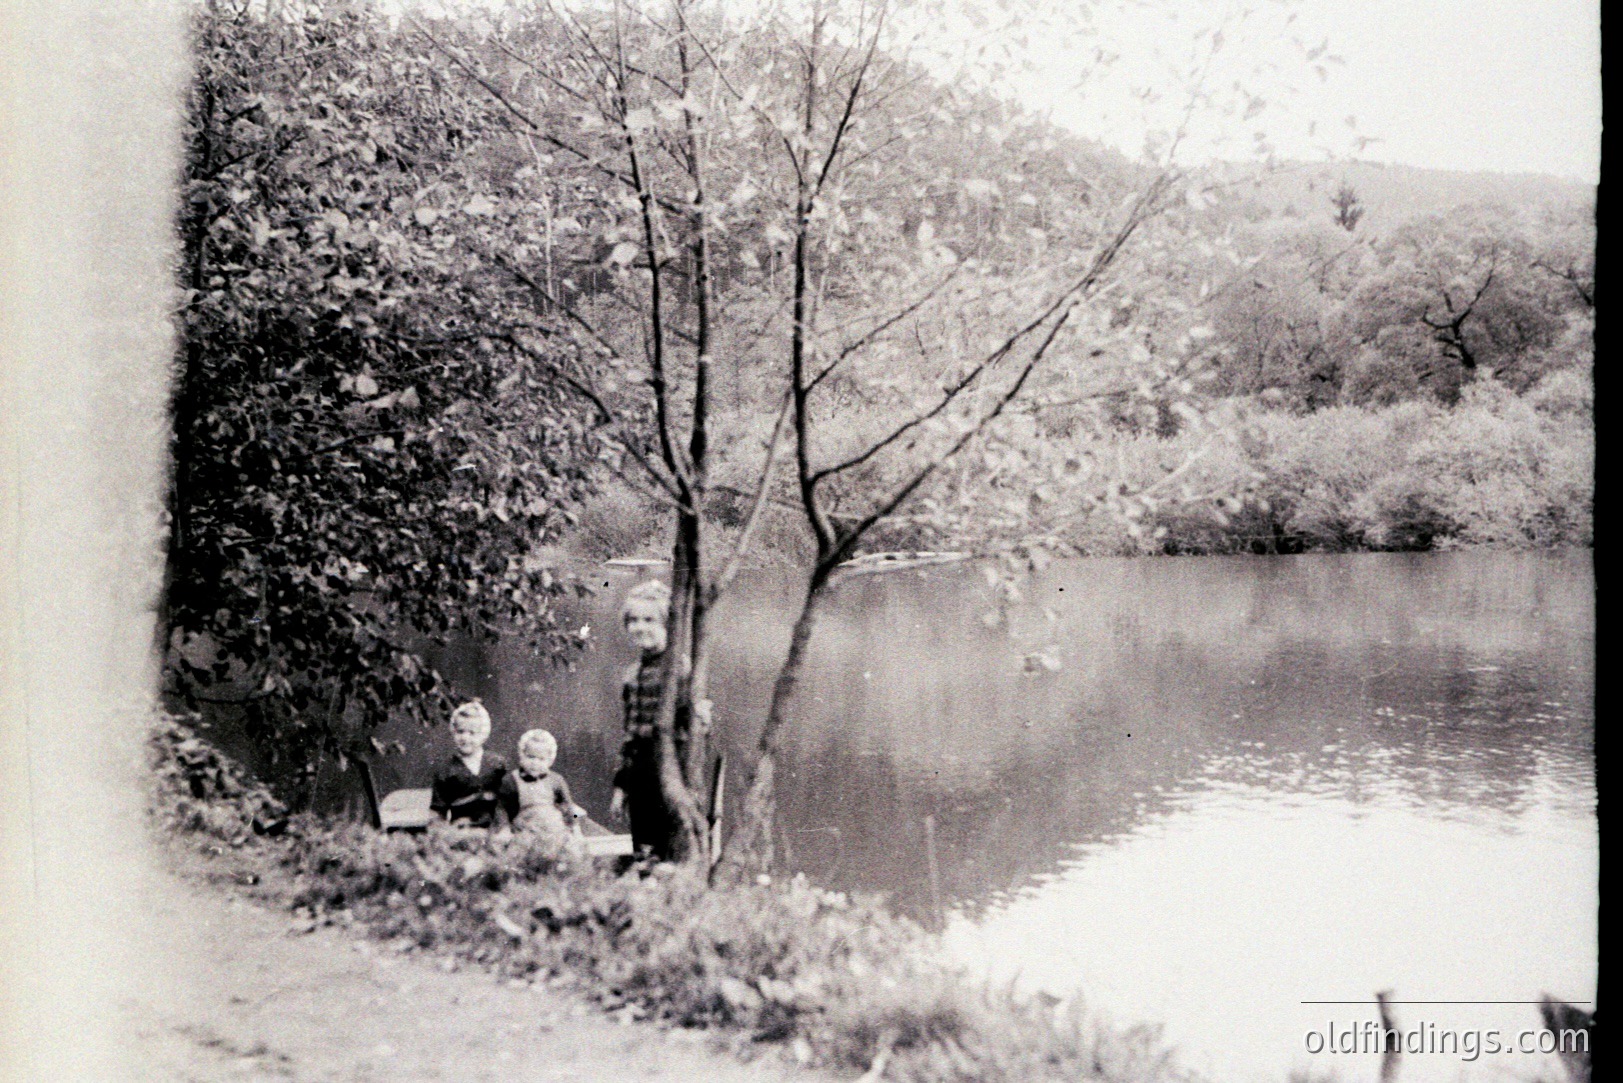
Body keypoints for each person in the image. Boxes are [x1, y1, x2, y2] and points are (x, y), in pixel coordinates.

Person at [609, 580, 709, 859]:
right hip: (640, 772)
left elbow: (693, 730)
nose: (639, 627)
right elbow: (629, 736)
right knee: (642, 847)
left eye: (649, 619)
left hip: (671, 770)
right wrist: (621, 787)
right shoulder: (632, 674)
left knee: (671, 848)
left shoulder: (681, 669)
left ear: (667, 623)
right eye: (633, 620)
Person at [496, 728, 581, 857]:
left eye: (541, 759)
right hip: (525, 831)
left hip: (553, 830)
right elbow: (501, 808)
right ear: (521, 755)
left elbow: (569, 807)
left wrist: (575, 827)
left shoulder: (556, 780)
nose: (535, 763)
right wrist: (504, 828)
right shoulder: (511, 780)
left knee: (569, 854)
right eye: (530, 757)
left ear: (550, 760)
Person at [428, 700, 507, 828]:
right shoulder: (446, 769)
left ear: (483, 734)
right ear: (453, 732)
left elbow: (507, 801)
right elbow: (438, 810)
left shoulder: (496, 764)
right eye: (460, 732)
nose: (465, 738)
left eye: (472, 733)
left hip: (494, 830)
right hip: (461, 830)